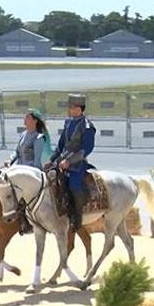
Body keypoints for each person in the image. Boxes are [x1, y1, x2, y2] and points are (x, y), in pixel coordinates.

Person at [44, 94, 96, 232]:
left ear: (79, 108)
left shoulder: (88, 126)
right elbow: (61, 145)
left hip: (77, 163)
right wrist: (51, 159)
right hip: (62, 161)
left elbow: (86, 149)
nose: (69, 109)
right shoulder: (68, 122)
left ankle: (77, 217)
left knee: (74, 185)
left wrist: (69, 161)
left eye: (71, 107)